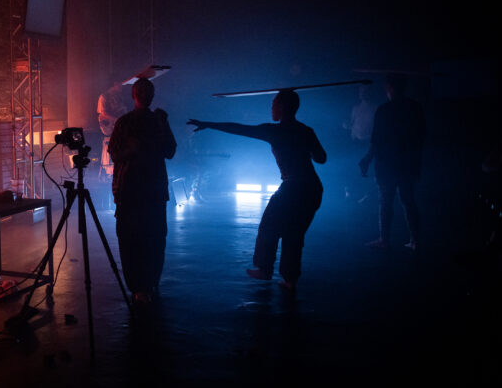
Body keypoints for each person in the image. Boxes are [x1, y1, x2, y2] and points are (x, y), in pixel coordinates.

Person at [188, 89, 326, 291]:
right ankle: (289, 279)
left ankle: (265, 269)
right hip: (311, 188)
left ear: (282, 107)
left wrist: (209, 124)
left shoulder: (275, 131)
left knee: (269, 226)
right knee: (294, 234)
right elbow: (321, 158)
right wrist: (307, 148)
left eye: (274, 103)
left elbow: (239, 129)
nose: (271, 107)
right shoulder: (306, 131)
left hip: (293, 187)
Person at [108, 77, 177, 304]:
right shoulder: (157, 121)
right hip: (153, 191)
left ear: (133, 95)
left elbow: (115, 154)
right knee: (155, 239)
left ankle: (138, 286)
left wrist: (130, 150)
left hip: (130, 192)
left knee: (131, 241)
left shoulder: (125, 122)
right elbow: (170, 151)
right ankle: (149, 282)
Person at [359, 74, 425, 250]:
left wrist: (367, 158)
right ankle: (415, 240)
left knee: (386, 201)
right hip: (407, 162)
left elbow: (376, 138)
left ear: (389, 88)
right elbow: (421, 137)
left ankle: (384, 239)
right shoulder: (415, 108)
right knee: (408, 200)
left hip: (386, 163)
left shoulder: (384, 110)